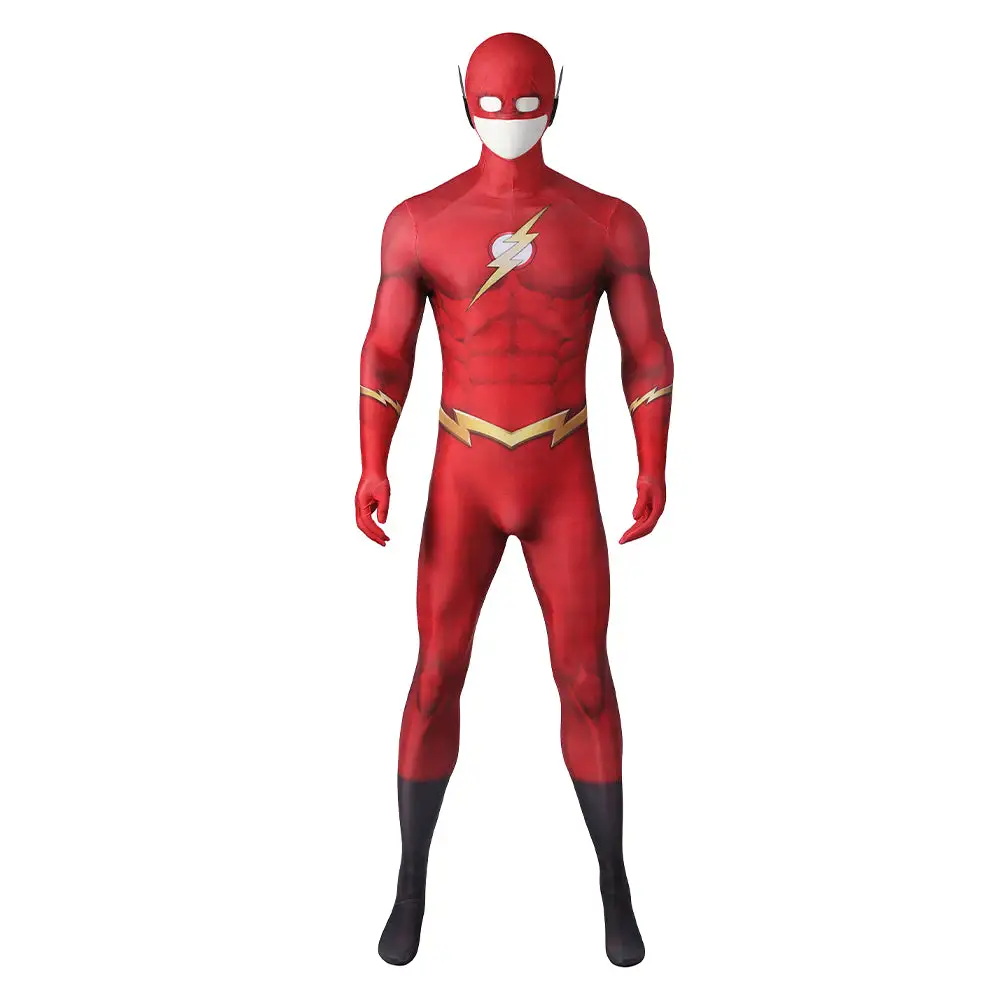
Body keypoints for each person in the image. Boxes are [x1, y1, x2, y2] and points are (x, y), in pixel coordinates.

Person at [355, 32, 674, 967]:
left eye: (522, 103)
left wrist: (653, 459)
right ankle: (410, 883)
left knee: (586, 679)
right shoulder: (418, 222)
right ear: (464, 99)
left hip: (560, 470)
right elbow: (386, 351)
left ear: (556, 99)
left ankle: (613, 880)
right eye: (494, 104)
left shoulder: (607, 222)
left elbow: (645, 349)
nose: (508, 120)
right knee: (433, 677)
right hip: (463, 473)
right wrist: (371, 461)